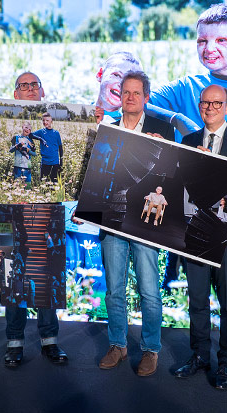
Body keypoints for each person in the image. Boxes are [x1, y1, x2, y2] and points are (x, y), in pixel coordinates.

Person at [173, 84, 227, 389]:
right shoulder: (188, 141)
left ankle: (226, 364)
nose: (210, 108)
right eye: (205, 103)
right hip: (196, 232)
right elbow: (181, 189)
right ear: (199, 106)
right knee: (197, 300)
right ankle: (199, 355)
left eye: (217, 103)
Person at [99, 70, 175, 377]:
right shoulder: (107, 130)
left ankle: (151, 349)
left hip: (145, 221)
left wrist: (164, 152)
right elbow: (96, 174)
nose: (130, 98)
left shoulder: (162, 130)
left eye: (136, 93)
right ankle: (117, 345)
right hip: (112, 217)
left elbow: (174, 176)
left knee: (149, 290)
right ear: (120, 97)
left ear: (146, 97)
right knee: (114, 290)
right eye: (126, 92)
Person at [4, 71, 68, 368]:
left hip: (45, 212)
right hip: (14, 211)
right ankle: (14, 342)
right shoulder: (18, 131)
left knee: (45, 271)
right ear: (15, 94)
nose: (29, 89)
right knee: (15, 274)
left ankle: (49, 340)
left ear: (42, 91)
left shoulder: (48, 128)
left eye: (34, 85)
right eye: (23, 86)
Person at [149, 4, 227, 148]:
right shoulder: (185, 87)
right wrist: (178, 120)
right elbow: (136, 104)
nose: (209, 49)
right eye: (202, 41)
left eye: (221, 40)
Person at [32, 112, 63, 182]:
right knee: (43, 182)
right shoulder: (41, 132)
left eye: (47, 120)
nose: (45, 122)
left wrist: (61, 161)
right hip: (45, 162)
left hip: (55, 162)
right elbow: (30, 135)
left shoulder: (56, 133)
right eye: (43, 120)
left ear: (51, 121)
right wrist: (39, 139)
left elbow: (60, 147)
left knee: (54, 183)